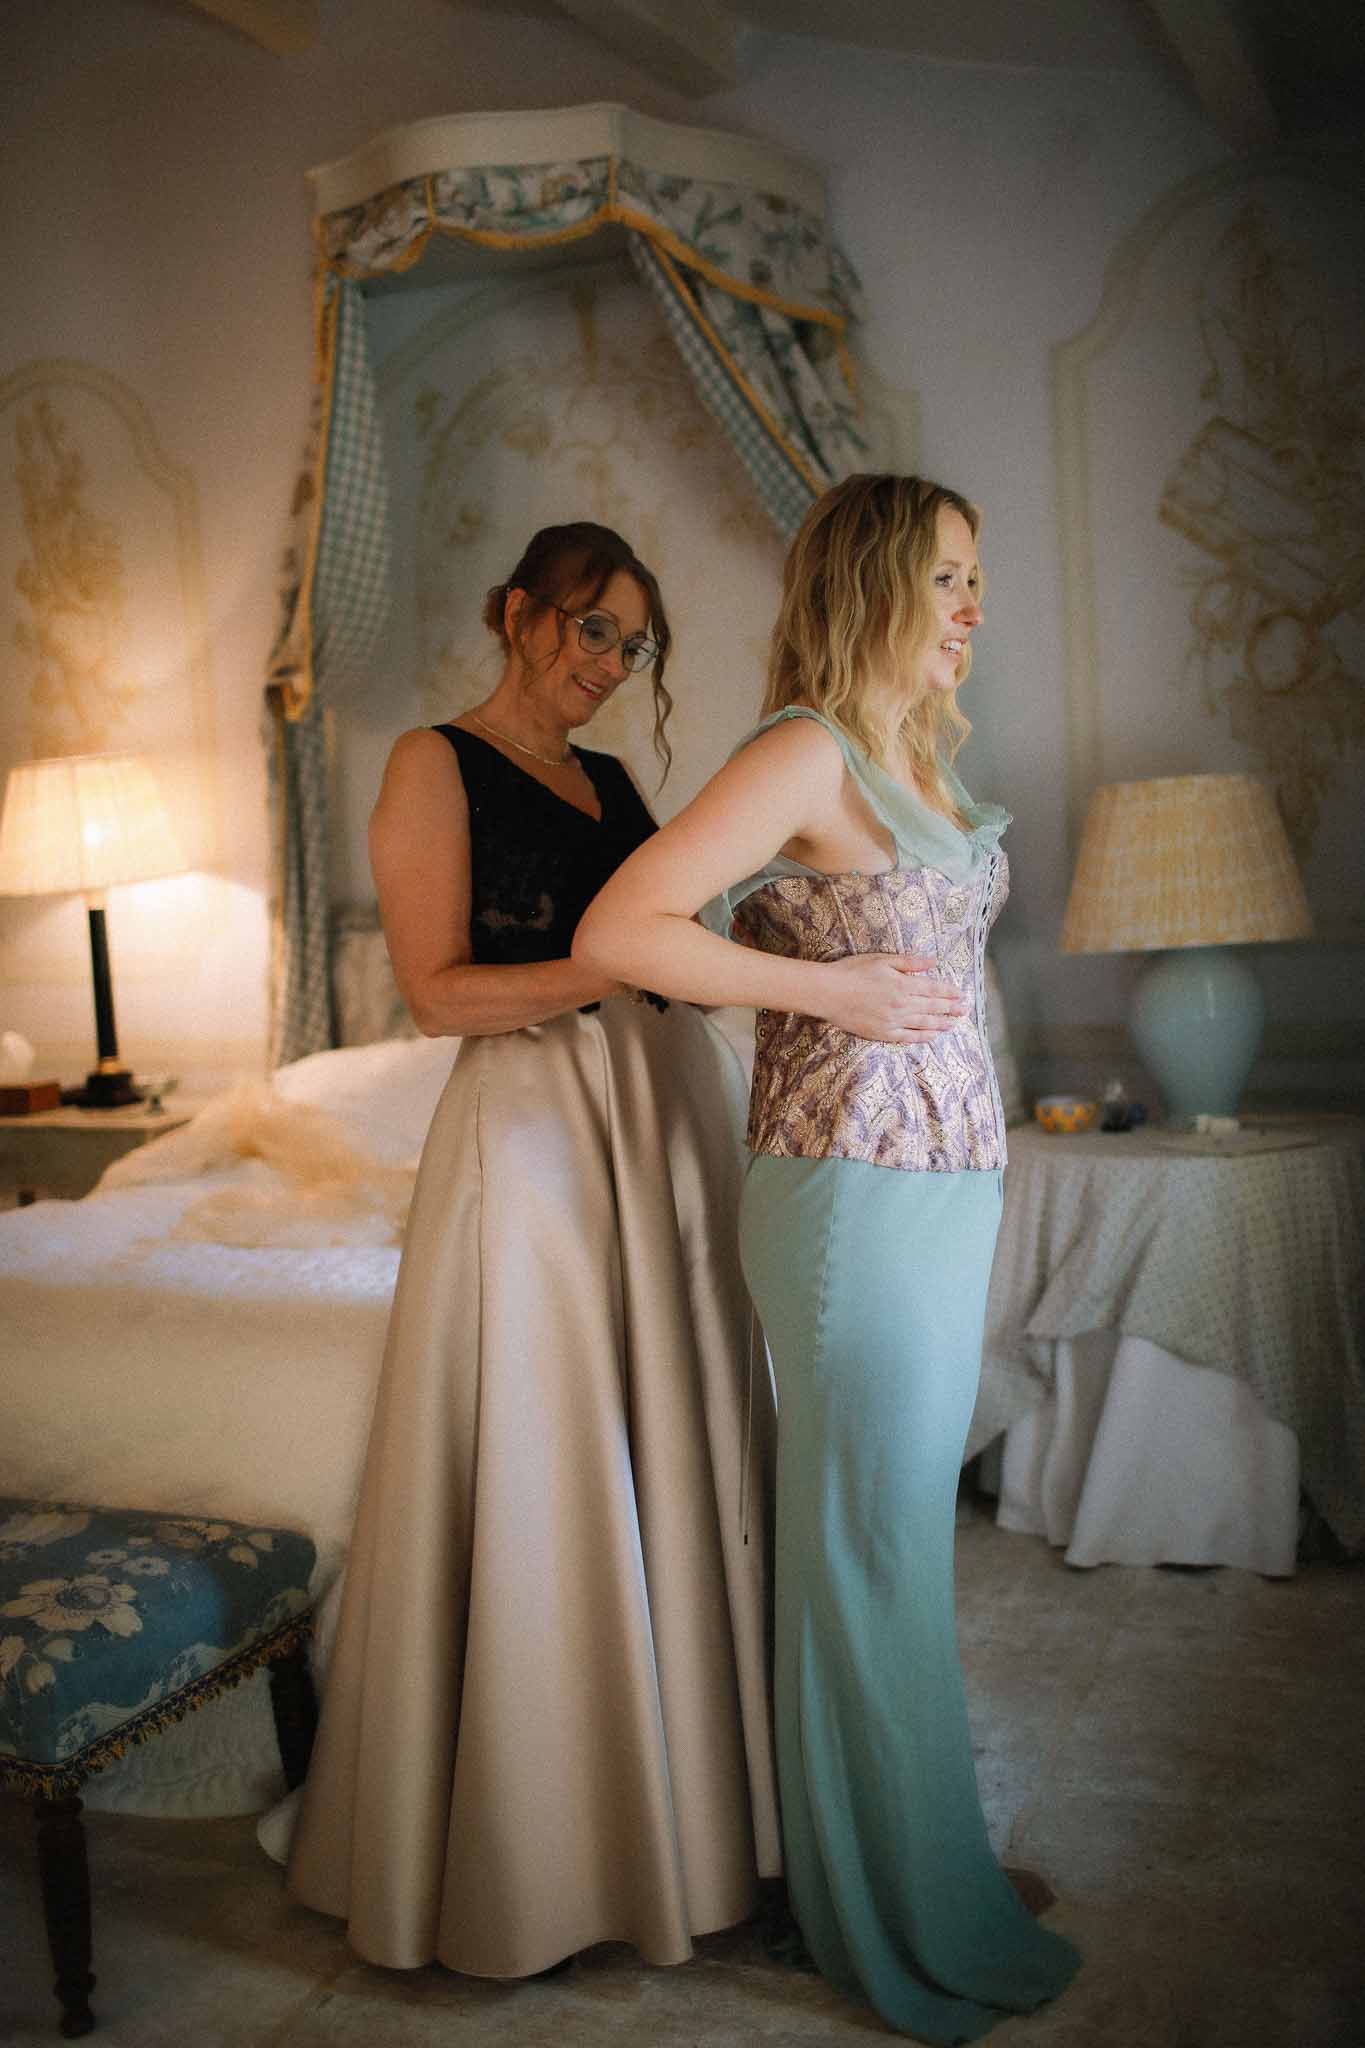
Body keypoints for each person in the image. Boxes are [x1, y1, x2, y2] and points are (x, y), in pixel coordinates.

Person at [574, 475, 1081, 2040]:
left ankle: (908, 1855)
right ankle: (881, 1911)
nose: (972, 608)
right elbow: (621, 929)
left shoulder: (913, 752)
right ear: (873, 584)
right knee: (863, 1551)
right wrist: (831, 997)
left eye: (977, 577)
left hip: (942, 1189)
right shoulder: (798, 750)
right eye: (947, 578)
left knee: (895, 1553)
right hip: (850, 1191)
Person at [287, 522, 780, 1980]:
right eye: (588, 630)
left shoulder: (620, 782)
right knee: (550, 1454)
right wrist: (624, 958)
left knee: (673, 1445)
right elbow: (438, 995)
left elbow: (665, 939)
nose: (609, 664)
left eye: (632, 644)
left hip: (653, 1118)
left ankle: (693, 1816)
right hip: (537, 1129)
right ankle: (540, 1844)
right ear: (514, 612)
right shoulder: (430, 762)